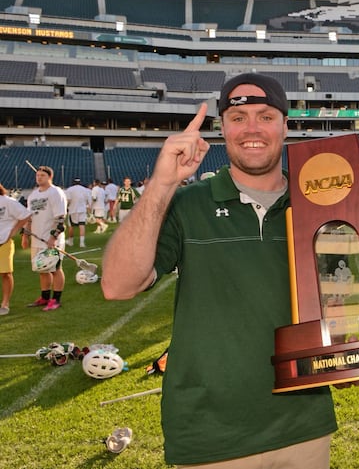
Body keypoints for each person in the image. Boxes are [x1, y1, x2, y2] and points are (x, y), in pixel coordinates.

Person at [101, 73, 337, 468]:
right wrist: (161, 184)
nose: (252, 129)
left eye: (265, 116)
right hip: (211, 433)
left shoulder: (320, 205)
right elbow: (117, 285)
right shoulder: (189, 204)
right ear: (222, 128)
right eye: (238, 117)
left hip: (304, 425)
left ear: (286, 125)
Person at [21, 166, 67, 311]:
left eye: (42, 175)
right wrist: (25, 236)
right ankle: (45, 297)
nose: (39, 177)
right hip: (37, 239)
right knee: (42, 269)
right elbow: (29, 218)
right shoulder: (33, 195)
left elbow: (61, 218)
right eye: (37, 175)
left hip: (51, 239)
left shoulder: (56, 193)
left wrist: (53, 238)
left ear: (49, 177)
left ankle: (56, 300)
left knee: (55, 268)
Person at [0, 182, 32, 315]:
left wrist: (13, 231)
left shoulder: (7, 202)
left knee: (5, 273)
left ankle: (5, 303)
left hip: (3, 242)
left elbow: (26, 215)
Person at [64, 178, 92, 247]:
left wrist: (66, 208)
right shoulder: (85, 190)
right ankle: (81, 243)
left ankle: (71, 241)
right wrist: (89, 210)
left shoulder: (70, 190)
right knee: (82, 225)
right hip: (82, 210)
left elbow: (68, 200)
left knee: (71, 226)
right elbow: (89, 201)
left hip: (73, 210)